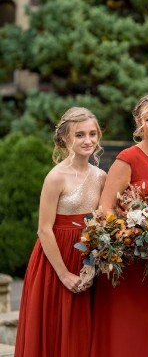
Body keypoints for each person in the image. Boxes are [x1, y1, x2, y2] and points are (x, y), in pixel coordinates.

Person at [90, 94, 148, 357]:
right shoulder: (127, 158)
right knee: (124, 331)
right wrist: (130, 235)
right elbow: (105, 209)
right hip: (127, 262)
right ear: (139, 123)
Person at [15, 107, 106, 357]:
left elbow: (105, 220)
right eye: (80, 135)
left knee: (84, 332)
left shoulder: (101, 177)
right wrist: (64, 274)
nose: (88, 141)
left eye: (92, 134)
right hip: (56, 261)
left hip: (88, 257)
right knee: (56, 329)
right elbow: (44, 230)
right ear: (66, 138)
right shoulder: (55, 177)